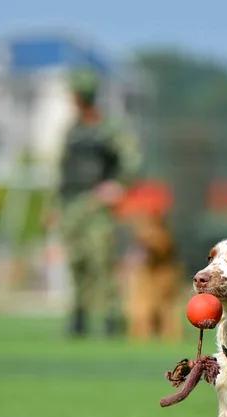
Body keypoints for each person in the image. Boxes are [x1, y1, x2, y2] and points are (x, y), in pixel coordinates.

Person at [55, 70, 140, 337]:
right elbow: (63, 169)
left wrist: (118, 185)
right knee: (75, 263)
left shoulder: (108, 128)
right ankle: (78, 320)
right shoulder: (73, 130)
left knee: (102, 263)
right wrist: (54, 206)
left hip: (96, 206)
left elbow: (132, 160)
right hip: (71, 206)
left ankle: (112, 320)